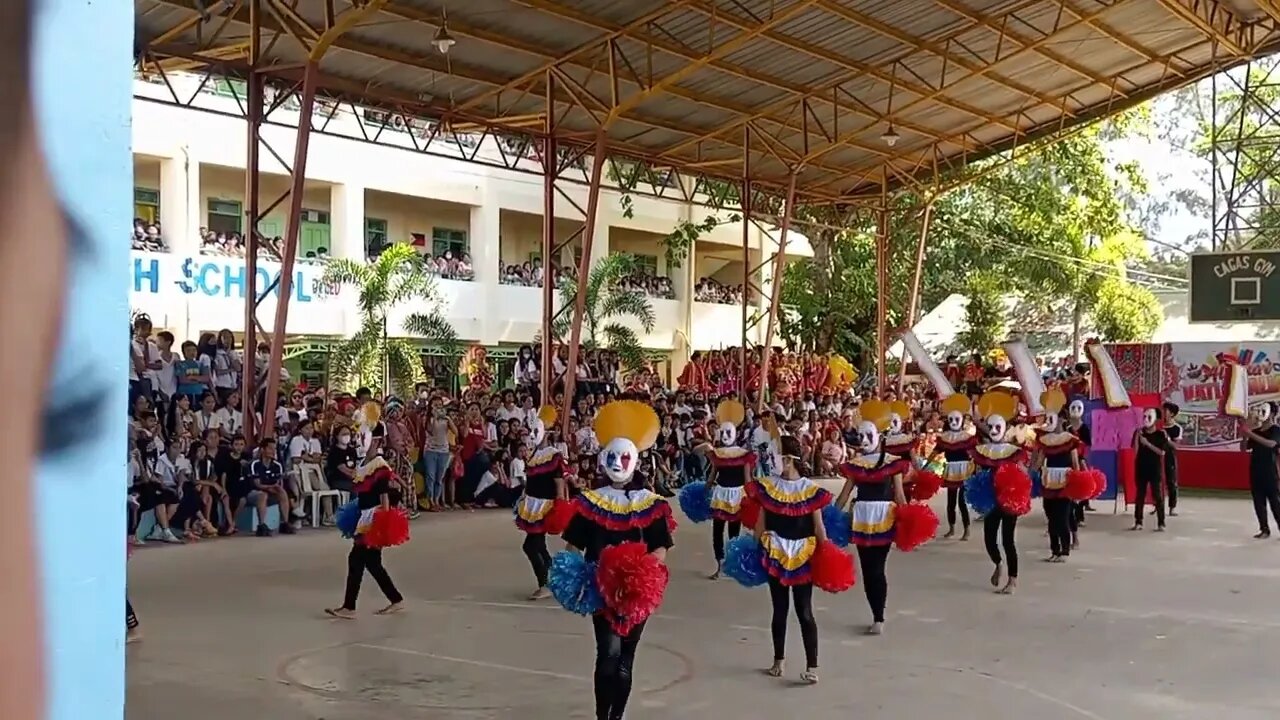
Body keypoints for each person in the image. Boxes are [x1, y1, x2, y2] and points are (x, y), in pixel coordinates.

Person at [561, 400, 674, 720]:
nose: (618, 462)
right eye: (614, 456)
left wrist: (640, 574)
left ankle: (615, 717)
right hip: (600, 587)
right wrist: (576, 577)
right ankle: (602, 716)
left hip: (638, 590)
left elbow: (660, 548)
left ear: (635, 461)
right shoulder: (589, 503)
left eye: (625, 456)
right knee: (608, 655)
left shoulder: (652, 504)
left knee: (625, 657)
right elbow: (572, 546)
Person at [746, 435, 831, 683]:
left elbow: (818, 527)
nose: (770, 460)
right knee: (780, 609)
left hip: (803, 554)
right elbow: (760, 525)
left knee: (804, 611)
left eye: (774, 455)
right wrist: (753, 548)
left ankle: (812, 666)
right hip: (776, 552)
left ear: (787, 459)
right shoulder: (768, 488)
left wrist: (828, 554)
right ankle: (778, 661)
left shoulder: (810, 490)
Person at [835, 399, 908, 635]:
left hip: (885, 518)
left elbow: (899, 494)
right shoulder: (856, 465)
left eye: (869, 435)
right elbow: (844, 495)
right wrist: (830, 517)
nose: (864, 440)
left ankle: (879, 615)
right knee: (867, 569)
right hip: (862, 519)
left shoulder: (893, 464)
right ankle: (875, 611)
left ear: (879, 435)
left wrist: (908, 519)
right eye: (860, 435)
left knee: (877, 568)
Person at [325, 442, 405, 619]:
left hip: (372, 518)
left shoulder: (380, 467)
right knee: (371, 563)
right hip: (365, 515)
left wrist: (380, 524)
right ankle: (395, 598)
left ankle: (349, 606)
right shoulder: (367, 466)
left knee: (357, 560)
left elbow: (384, 496)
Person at [970, 392, 1029, 595]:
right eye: (991, 427)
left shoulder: (1013, 451)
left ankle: (1012, 580)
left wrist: (1016, 481)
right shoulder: (982, 450)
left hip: (1009, 499)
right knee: (988, 538)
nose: (994, 430)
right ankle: (998, 563)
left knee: (1008, 540)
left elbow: (1023, 473)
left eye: (998, 427)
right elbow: (977, 472)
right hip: (990, 498)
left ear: (1004, 429)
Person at [513, 411, 568, 600]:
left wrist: (559, 503)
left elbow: (559, 480)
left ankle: (545, 583)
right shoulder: (533, 454)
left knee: (531, 545)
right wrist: (523, 497)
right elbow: (530, 481)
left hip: (546, 505)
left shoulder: (554, 455)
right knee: (538, 545)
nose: (532, 434)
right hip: (532, 504)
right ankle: (555, 578)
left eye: (536, 430)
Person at [704, 399, 755, 579]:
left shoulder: (744, 455)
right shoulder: (717, 454)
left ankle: (730, 564)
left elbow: (748, 480)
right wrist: (705, 491)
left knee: (733, 533)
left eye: (728, 432)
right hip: (721, 494)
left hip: (737, 495)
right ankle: (720, 565)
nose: (725, 435)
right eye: (723, 432)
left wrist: (752, 497)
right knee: (718, 531)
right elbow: (712, 475)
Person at [1031, 389, 1080, 561]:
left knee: (1062, 517)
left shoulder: (1070, 439)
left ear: (1061, 419)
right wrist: (1029, 472)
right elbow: (1039, 463)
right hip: (1048, 481)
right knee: (1051, 517)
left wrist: (1078, 484)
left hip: (1065, 481)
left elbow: (1075, 464)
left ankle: (1065, 551)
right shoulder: (1044, 441)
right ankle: (1054, 550)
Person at [931, 394, 976, 540]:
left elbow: (974, 453)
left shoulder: (967, 437)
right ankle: (951, 528)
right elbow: (936, 451)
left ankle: (967, 529)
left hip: (964, 470)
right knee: (951, 502)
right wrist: (925, 465)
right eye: (952, 420)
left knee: (962, 502)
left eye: (957, 419)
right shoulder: (945, 437)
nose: (954, 422)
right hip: (950, 469)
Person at [1239, 401, 1280, 539]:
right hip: (1256, 470)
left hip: (1270, 471)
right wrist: (1245, 434)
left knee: (1275, 502)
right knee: (1258, 502)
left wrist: (1250, 433)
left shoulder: (1276, 430)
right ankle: (1264, 529)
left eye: (1265, 411)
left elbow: (1271, 444)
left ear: (1273, 414)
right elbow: (1244, 448)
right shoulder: (1255, 431)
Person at [1131, 407, 1169, 532]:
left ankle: (1161, 523)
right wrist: (1137, 437)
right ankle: (1138, 521)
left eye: (1149, 417)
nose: (1146, 420)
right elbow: (1135, 452)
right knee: (1140, 496)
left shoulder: (1161, 434)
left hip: (1154, 469)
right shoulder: (1139, 433)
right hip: (1141, 467)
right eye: (1144, 417)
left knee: (1157, 496)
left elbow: (1162, 452)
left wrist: (1147, 444)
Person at [1065, 398, 1093, 525]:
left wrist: (1078, 444)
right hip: (1066, 459)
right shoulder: (1066, 427)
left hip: (1080, 458)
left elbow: (1088, 444)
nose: (1075, 411)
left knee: (1081, 486)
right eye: (1073, 408)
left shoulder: (1084, 428)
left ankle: (1079, 516)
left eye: (1078, 408)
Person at [1162, 402, 1181, 517]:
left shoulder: (1177, 428)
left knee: (1171, 482)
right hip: (1156, 456)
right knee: (1156, 482)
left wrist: (1167, 438)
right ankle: (1157, 505)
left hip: (1169, 458)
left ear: (1172, 414)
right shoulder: (1157, 425)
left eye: (1166, 411)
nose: (1163, 413)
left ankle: (1172, 507)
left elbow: (1176, 446)